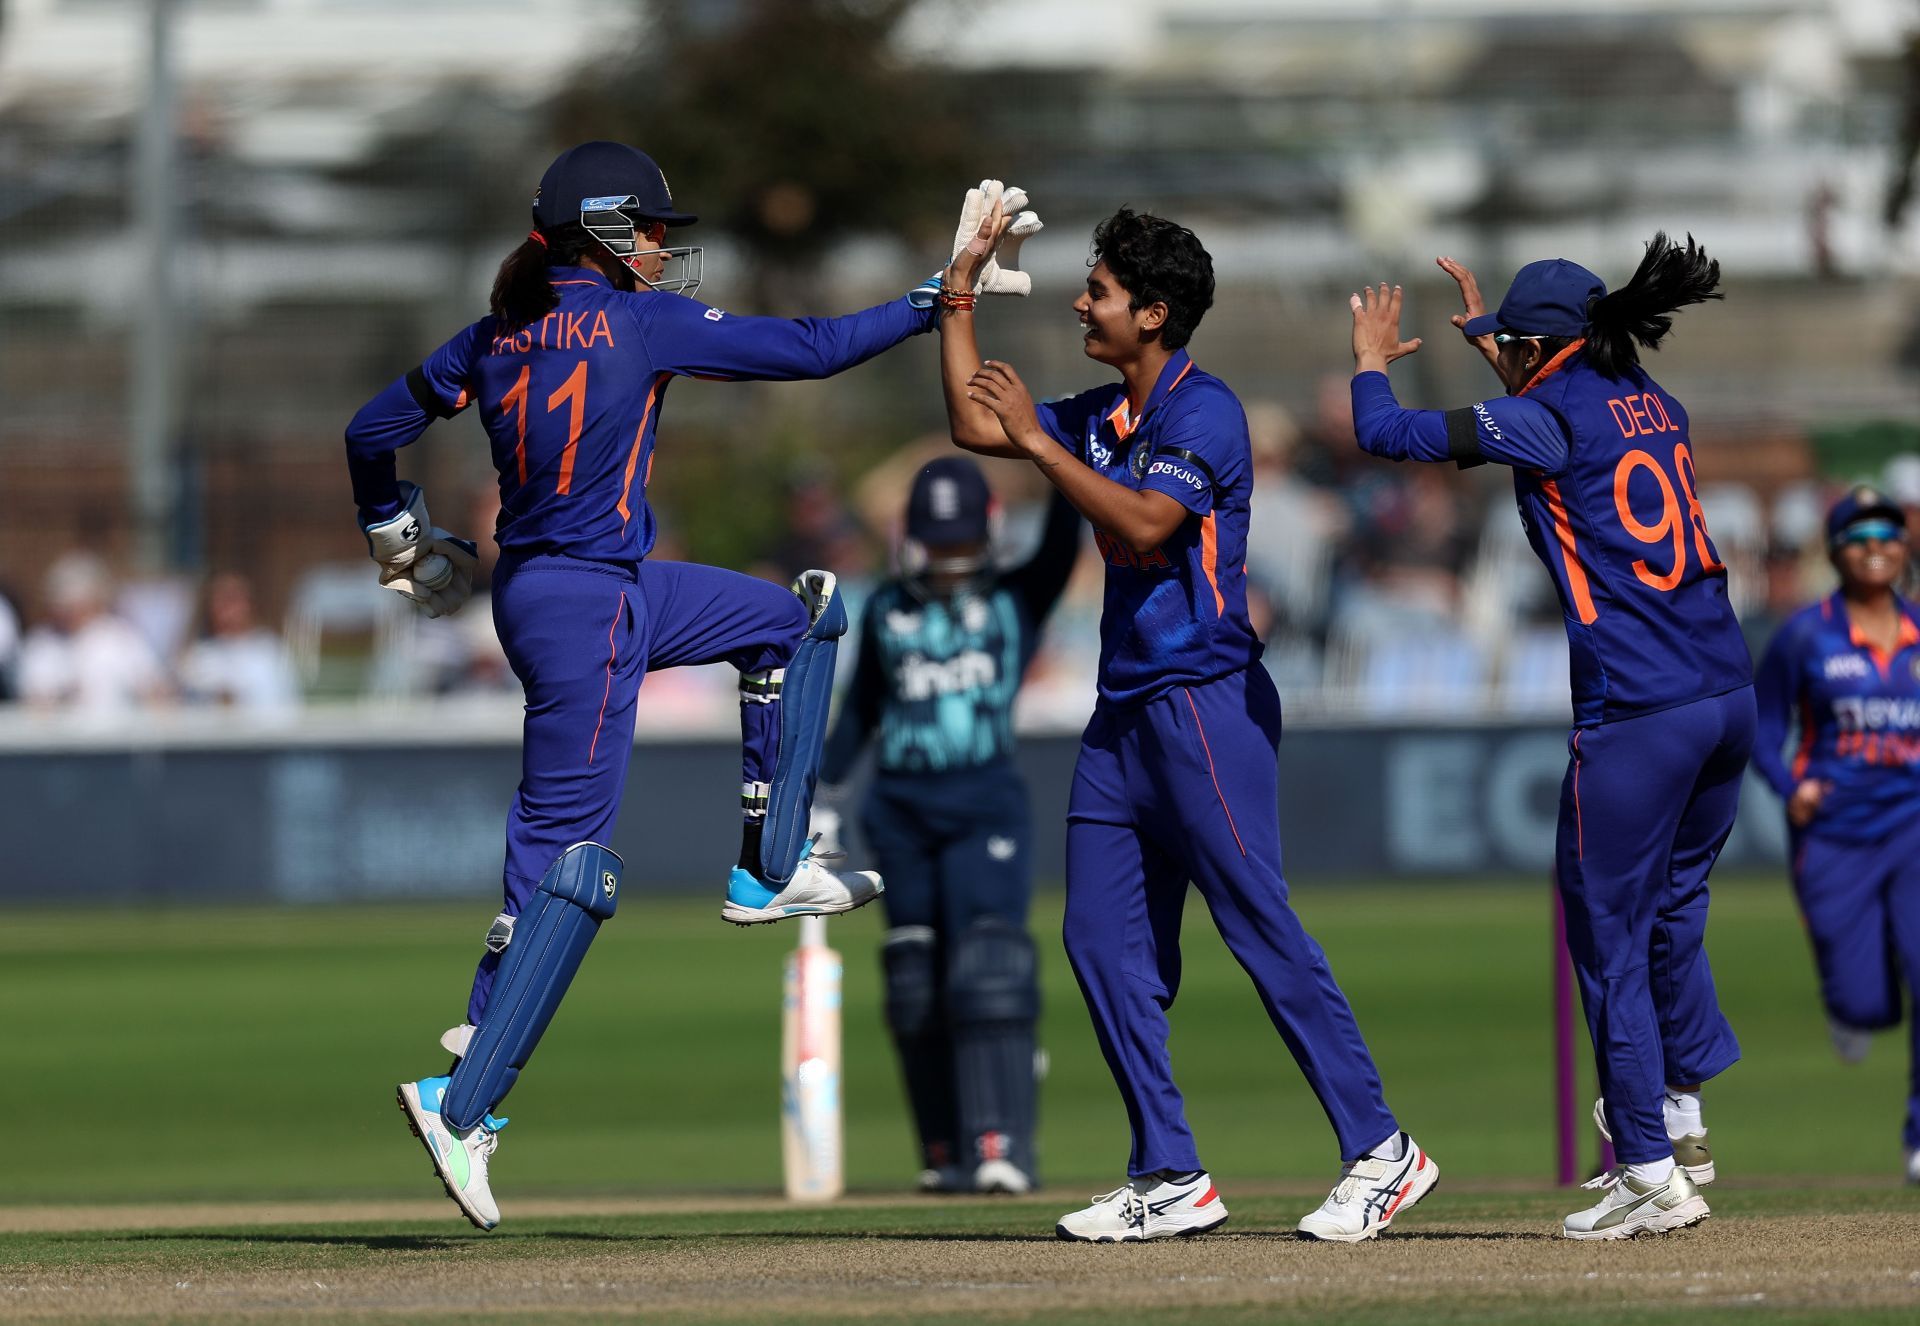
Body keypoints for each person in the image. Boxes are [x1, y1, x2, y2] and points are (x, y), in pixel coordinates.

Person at [343, 142, 1029, 1230]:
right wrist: (938, 297)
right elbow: (809, 350)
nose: (667, 245)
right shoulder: (636, 323)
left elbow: (371, 430)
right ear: (608, 232)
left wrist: (390, 524)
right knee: (570, 870)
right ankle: (462, 1101)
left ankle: (769, 867)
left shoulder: (493, 336)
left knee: (798, 617)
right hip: (591, 612)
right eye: (655, 227)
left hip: (563, 592)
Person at [942, 198, 1436, 1243]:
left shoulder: (1203, 412)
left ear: (1154, 314)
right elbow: (970, 425)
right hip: (1122, 716)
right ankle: (1168, 1172)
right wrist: (959, 290)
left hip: (1206, 704)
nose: (1082, 302)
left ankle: (1383, 1150)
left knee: (1259, 926)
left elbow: (1148, 525)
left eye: (1101, 292)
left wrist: (1038, 438)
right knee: (1100, 942)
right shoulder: (1101, 411)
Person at [1346, 235, 1751, 1240]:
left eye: (1507, 346)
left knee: (1605, 935)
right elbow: (1564, 404)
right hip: (1725, 693)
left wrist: (1365, 362)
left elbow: (1387, 436)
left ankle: (1651, 1172)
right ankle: (1681, 1112)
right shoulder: (1657, 402)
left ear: (1531, 350)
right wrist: (1512, 354)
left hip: (1641, 710)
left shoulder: (1543, 415)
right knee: (1673, 910)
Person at [817, 457, 1080, 1196]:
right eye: (938, 544)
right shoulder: (889, 609)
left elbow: (1064, 540)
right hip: (899, 811)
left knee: (986, 971)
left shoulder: (1017, 598)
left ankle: (1001, 1143)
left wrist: (1056, 453)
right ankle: (944, 1149)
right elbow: (864, 708)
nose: (951, 559)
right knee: (914, 981)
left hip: (984, 806)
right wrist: (823, 788)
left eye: (962, 543)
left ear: (990, 534)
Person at [1753, 487, 1920, 1186]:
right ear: (1834, 549)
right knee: (1865, 1002)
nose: (1874, 544)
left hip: (1913, 824)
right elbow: (1762, 729)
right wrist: (1793, 790)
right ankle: (1850, 1009)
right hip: (1835, 835)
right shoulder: (1805, 635)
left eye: (1887, 530)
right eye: (1857, 534)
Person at [18, 553, 168, 717]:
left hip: (118, 736)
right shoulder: (42, 642)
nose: (65, 611)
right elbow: (35, 701)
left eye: (73, 604)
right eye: (60, 603)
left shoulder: (121, 636)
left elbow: (155, 689)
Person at [176, 572, 300, 715]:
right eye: (220, 601)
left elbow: (287, 708)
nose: (227, 609)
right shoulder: (199, 655)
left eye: (233, 600)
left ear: (249, 604)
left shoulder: (270, 649)